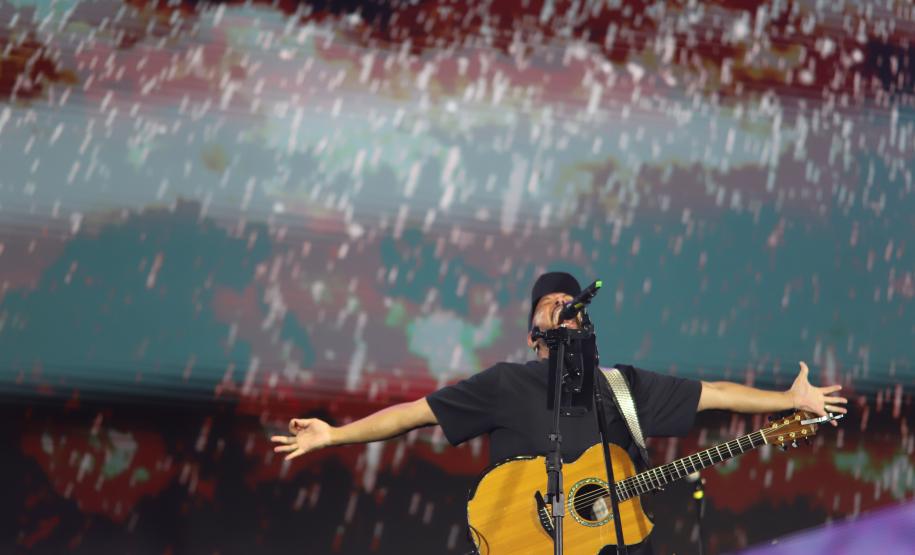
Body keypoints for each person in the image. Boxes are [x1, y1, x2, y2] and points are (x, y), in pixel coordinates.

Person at [270, 272, 848, 554]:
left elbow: (713, 394)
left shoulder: (622, 386)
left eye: (568, 303)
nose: (561, 306)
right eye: (548, 304)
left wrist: (788, 401)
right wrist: (334, 435)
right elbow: (414, 413)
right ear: (532, 333)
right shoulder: (504, 383)